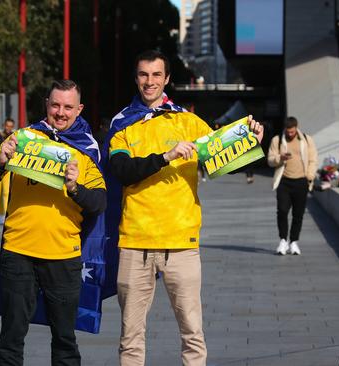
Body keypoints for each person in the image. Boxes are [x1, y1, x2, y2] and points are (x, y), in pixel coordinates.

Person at [107, 50, 264, 366]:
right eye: (143, 75)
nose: (149, 82)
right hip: (135, 242)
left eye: (156, 75)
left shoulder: (190, 122)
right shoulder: (122, 123)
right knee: (130, 338)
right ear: (136, 78)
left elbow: (220, 160)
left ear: (166, 79)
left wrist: (250, 141)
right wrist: (167, 156)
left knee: (193, 334)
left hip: (182, 243)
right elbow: (122, 171)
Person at [0, 80, 106, 366]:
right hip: (18, 251)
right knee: (11, 338)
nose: (61, 112)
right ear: (46, 103)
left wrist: (75, 188)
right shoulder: (23, 137)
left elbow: (99, 203)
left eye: (68, 107)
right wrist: (0, 163)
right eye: (55, 105)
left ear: (79, 109)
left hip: (63, 255)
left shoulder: (87, 149)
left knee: (64, 340)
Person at [267, 116, 318, 256]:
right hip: (284, 181)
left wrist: (310, 175)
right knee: (282, 211)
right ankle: (283, 240)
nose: (290, 134)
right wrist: (280, 158)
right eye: (288, 132)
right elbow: (270, 160)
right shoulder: (277, 140)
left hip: (301, 181)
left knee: (298, 214)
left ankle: (294, 241)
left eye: (292, 131)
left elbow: (313, 159)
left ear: (296, 127)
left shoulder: (306, 140)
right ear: (285, 129)